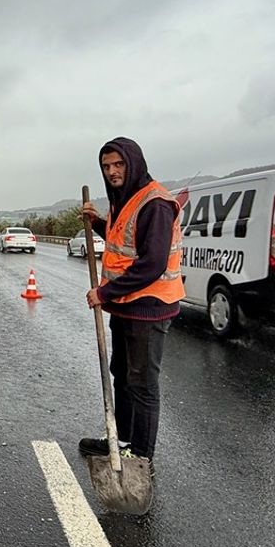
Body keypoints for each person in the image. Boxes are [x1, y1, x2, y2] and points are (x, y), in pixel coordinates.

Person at [77, 137, 185, 477]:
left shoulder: (155, 203)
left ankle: (141, 456)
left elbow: (151, 263)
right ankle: (120, 440)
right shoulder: (125, 200)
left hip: (149, 307)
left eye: (118, 165)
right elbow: (122, 240)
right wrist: (96, 222)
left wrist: (105, 292)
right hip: (127, 306)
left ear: (133, 163)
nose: (112, 171)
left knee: (142, 383)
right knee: (121, 375)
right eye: (107, 166)